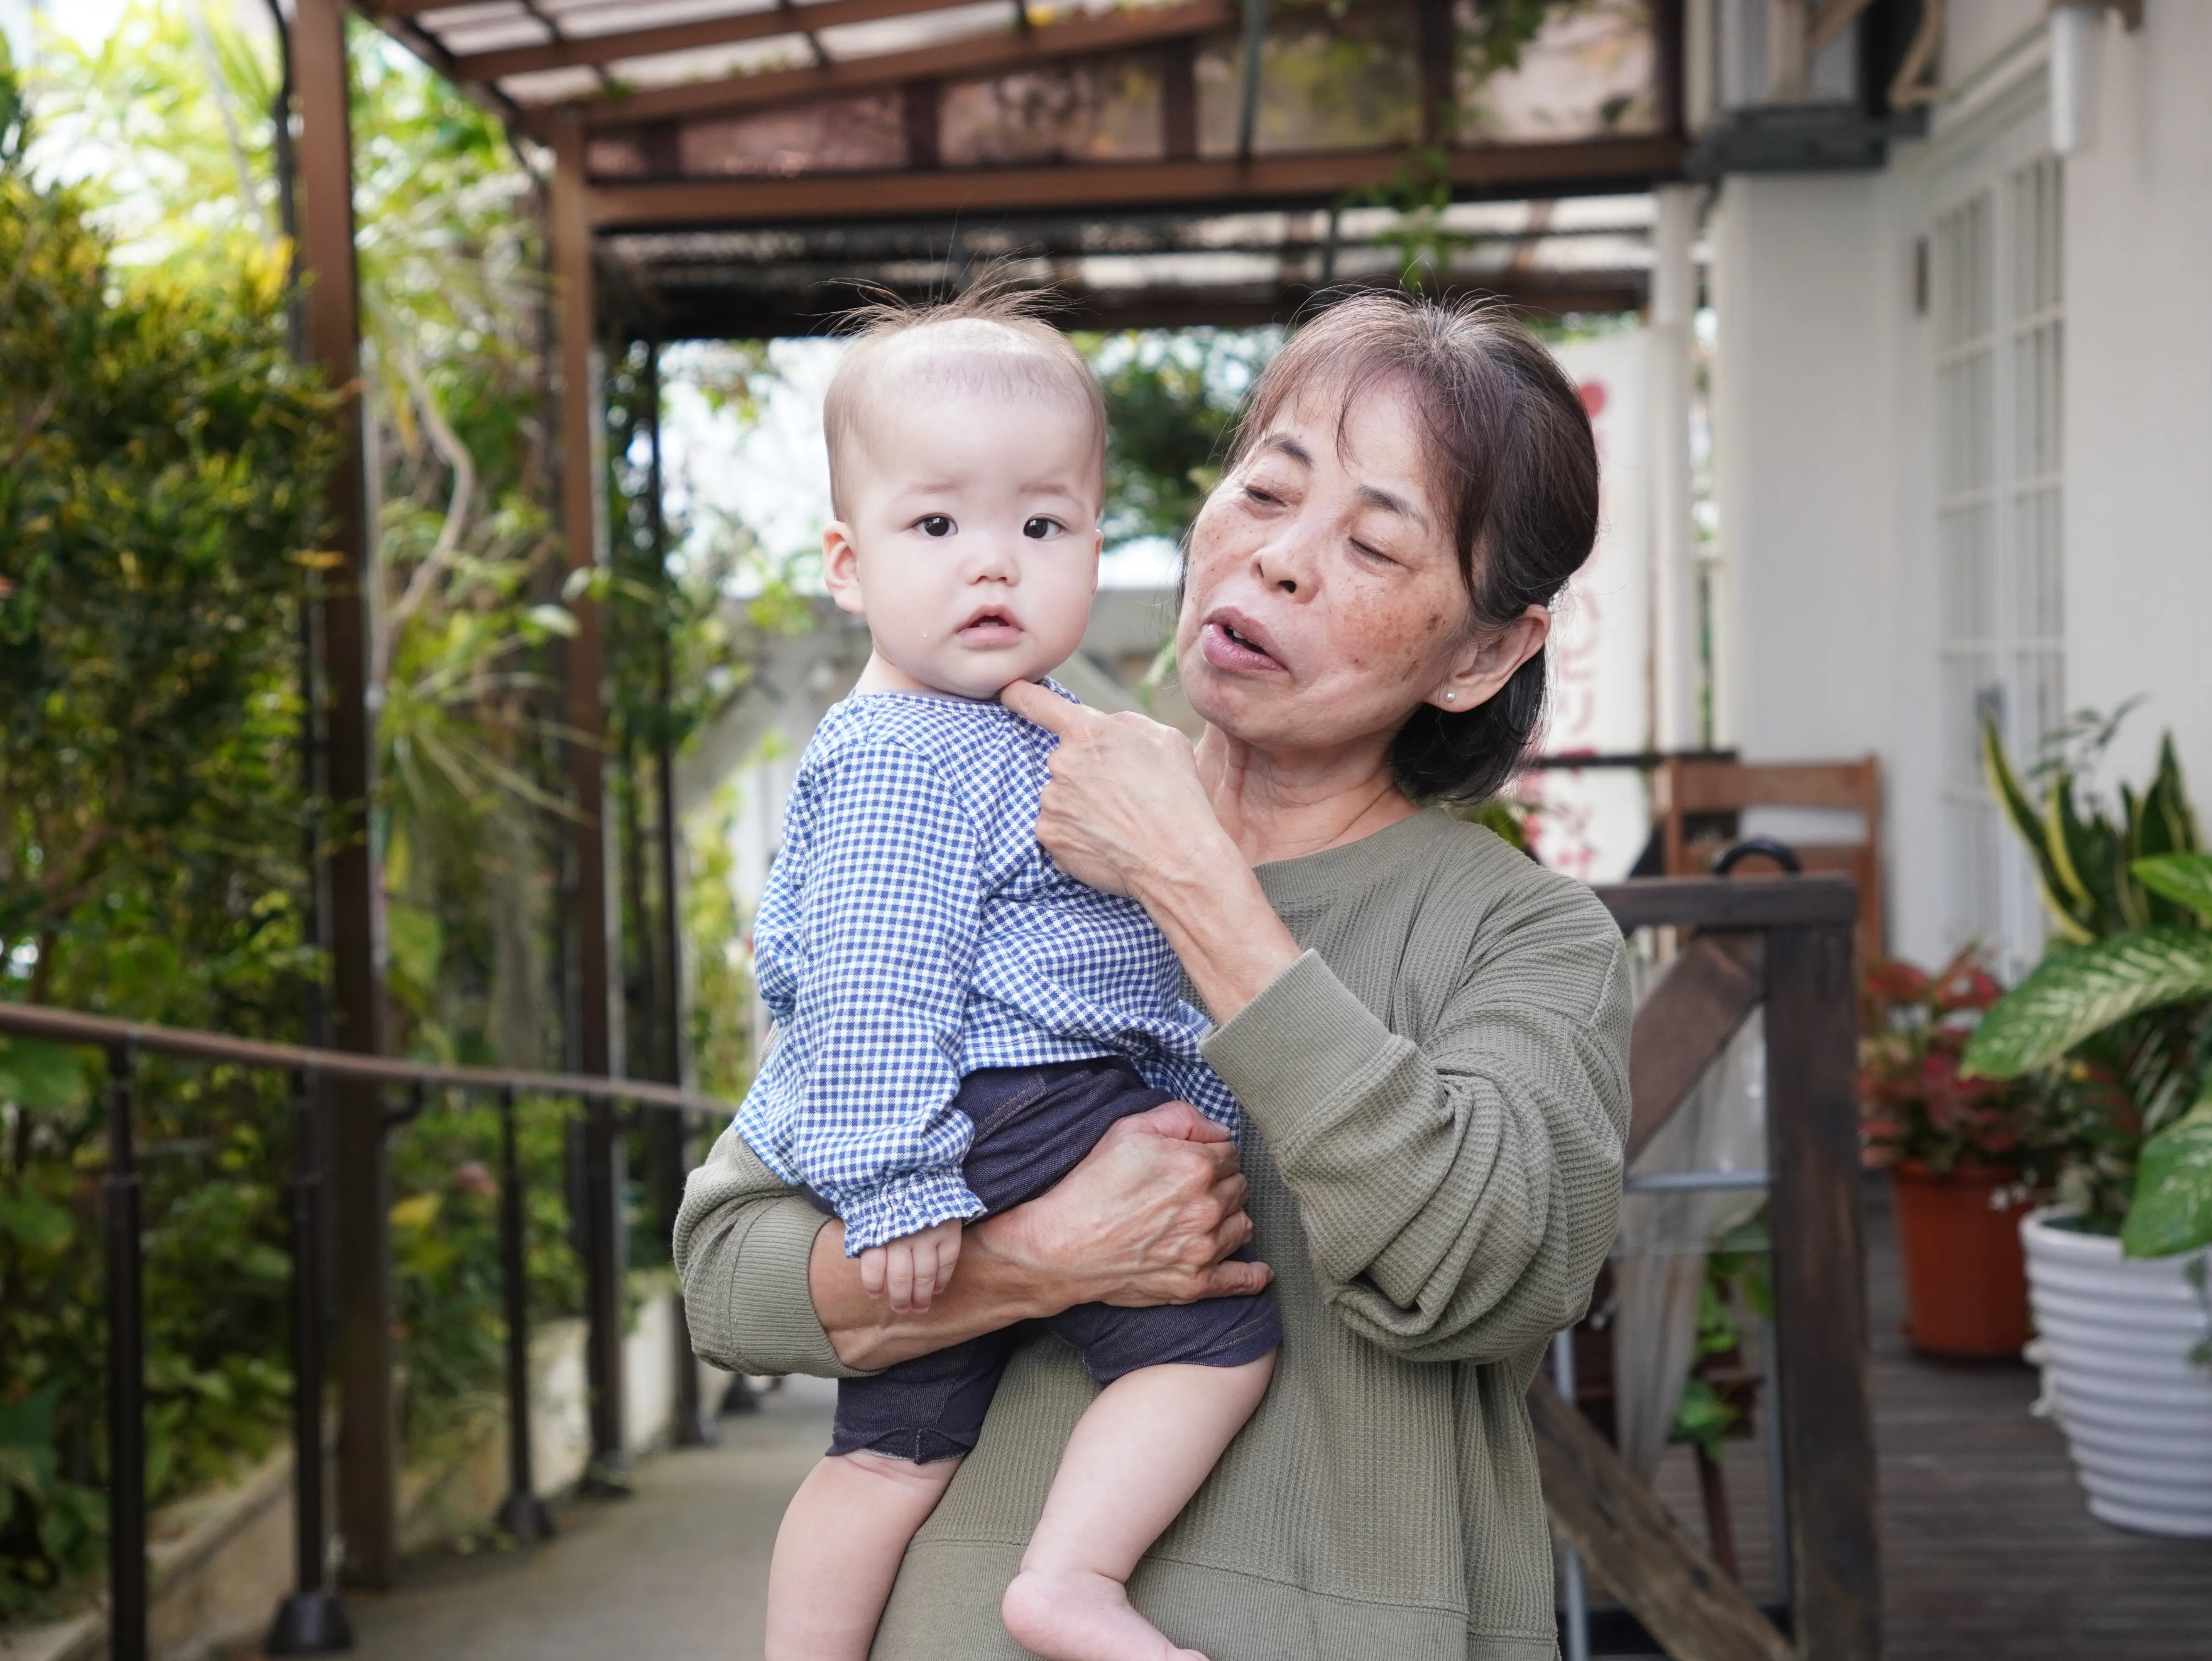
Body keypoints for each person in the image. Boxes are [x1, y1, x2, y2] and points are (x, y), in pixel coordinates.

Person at [678, 290, 1632, 1661]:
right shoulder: (989, 812)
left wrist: (1199, 886)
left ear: (1486, 652)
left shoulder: (1523, 935)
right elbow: (732, 1271)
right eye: (1265, 491)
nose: (1280, 562)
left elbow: (1484, 1271)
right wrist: (1032, 1261)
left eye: (1371, 541)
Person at [742, 289, 1279, 1661]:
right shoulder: (905, 753)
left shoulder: (1033, 733)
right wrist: (900, 1178)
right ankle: (1072, 1581)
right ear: (849, 565)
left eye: (1042, 526)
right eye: (938, 527)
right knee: (1215, 1342)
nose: (994, 566)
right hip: (997, 1111)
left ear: (1098, 545)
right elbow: (865, 985)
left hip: (982, 1113)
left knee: (890, 1456)